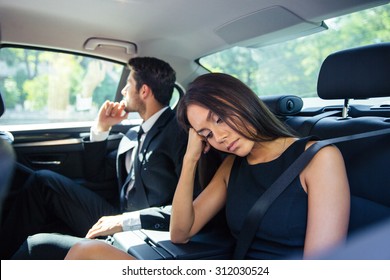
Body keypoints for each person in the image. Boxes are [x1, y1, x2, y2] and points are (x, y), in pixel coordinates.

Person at [64, 72, 350, 260]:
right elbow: (180, 232)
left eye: (219, 118)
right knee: (84, 253)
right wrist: (190, 159)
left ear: (240, 101)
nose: (220, 137)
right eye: (207, 134)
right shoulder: (232, 166)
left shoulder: (319, 159)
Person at [0, 57, 190, 259]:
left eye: (128, 85)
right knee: (42, 181)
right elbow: (96, 175)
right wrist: (101, 129)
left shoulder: (178, 134)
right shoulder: (134, 134)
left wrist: (125, 221)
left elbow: (190, 208)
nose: (123, 91)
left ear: (144, 91)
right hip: (117, 215)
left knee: (36, 246)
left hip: (145, 231)